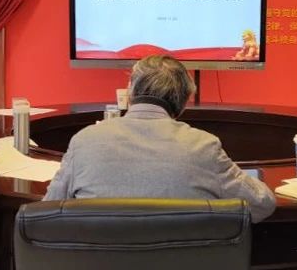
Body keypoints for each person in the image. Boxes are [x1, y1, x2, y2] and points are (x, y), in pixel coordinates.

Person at [44, 55, 277, 222]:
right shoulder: (204, 147)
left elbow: (47, 212)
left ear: (130, 93)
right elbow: (262, 204)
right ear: (183, 103)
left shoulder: (84, 141)